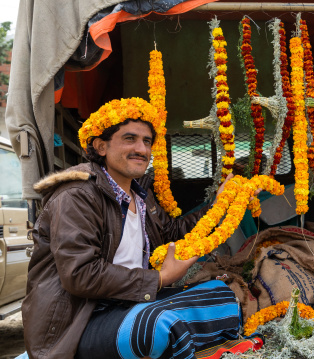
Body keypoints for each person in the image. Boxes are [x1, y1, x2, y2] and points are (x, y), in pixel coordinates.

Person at [20, 105, 241, 359]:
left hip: (129, 304)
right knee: (158, 325)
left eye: (147, 141)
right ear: (101, 147)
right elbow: (79, 274)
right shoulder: (76, 195)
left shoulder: (140, 196)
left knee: (222, 294)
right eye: (130, 139)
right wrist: (158, 279)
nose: (142, 149)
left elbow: (174, 232)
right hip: (79, 322)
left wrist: (221, 204)